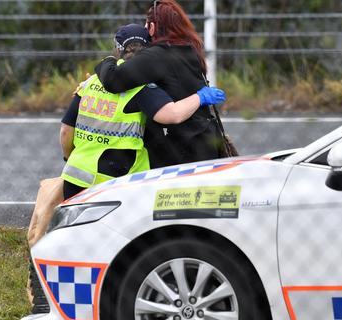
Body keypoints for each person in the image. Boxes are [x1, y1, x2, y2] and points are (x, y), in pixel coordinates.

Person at [61, 23, 226, 199]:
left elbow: (65, 132)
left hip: (76, 178)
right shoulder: (142, 86)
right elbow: (173, 114)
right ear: (149, 48)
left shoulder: (91, 82)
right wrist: (201, 97)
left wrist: (70, 158)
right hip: (118, 181)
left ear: (118, 49)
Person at [94, 0, 228, 168]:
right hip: (205, 140)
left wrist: (108, 60)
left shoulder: (156, 56)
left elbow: (113, 80)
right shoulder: (189, 49)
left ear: (152, 28)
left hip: (179, 150)